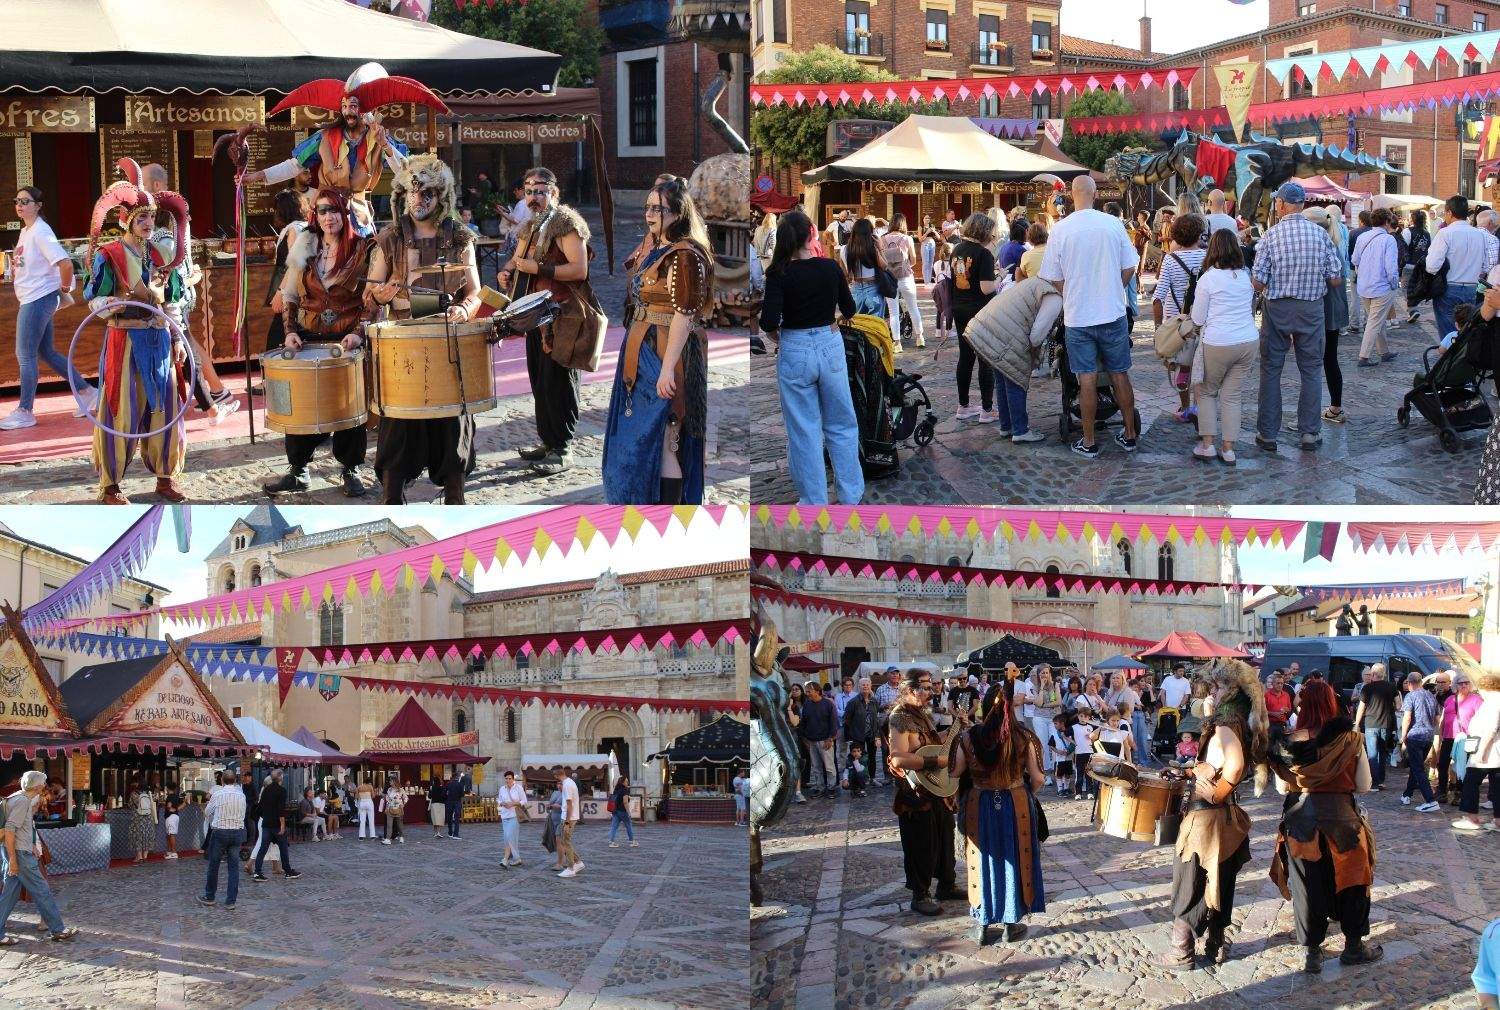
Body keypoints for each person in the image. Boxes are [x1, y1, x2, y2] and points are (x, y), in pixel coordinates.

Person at [363, 154, 484, 505]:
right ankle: (392, 495)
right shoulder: (390, 238)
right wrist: (378, 292)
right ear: (403, 193)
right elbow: (371, 291)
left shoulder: (460, 237)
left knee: (452, 422)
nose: (421, 199)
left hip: (447, 340)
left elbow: (476, 290)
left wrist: (464, 307)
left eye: (429, 192)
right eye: (414, 191)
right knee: (399, 423)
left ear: (442, 196)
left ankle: (455, 495)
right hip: (404, 342)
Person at [604, 178, 715, 505]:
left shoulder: (685, 255)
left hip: (667, 352)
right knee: (638, 437)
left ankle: (668, 517)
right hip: (640, 349)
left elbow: (684, 314)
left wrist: (667, 371)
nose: (649, 214)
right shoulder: (652, 246)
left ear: (677, 213)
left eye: (658, 209)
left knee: (667, 438)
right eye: (648, 207)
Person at [83, 181, 192, 504]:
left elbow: (171, 302)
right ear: (125, 219)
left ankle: (165, 477)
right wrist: (115, 304)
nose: (148, 224)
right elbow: (93, 298)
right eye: (141, 217)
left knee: (164, 408)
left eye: (152, 218)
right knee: (121, 410)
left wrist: (178, 337)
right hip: (124, 340)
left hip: (158, 339)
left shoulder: (161, 255)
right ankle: (111, 485)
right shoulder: (110, 255)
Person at [1156, 660, 1267, 970]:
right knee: (1219, 881)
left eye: (1215, 689)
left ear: (1228, 692)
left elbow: (1233, 764)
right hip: (1224, 817)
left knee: (1189, 880)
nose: (1210, 695)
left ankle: (1181, 953)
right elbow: (1217, 764)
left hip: (1206, 818)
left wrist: (1214, 793)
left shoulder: (1225, 725)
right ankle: (1216, 945)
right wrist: (1187, 771)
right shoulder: (1238, 724)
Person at [1266, 679, 1382, 973]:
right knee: (1352, 882)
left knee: (1307, 887)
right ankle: (1353, 946)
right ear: (1332, 703)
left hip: (1301, 823)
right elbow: (1364, 786)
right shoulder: (1351, 740)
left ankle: (1312, 953)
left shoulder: (1289, 743)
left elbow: (1281, 790)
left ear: (1301, 706)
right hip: (1343, 822)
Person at [263, 187, 372, 497]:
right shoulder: (304, 246)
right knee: (300, 404)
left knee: (348, 406)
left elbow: (371, 301)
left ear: (344, 213)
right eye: (322, 211)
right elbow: (291, 296)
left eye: (334, 210)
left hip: (346, 339)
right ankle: (298, 470)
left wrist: (359, 332)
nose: (328, 217)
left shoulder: (362, 249)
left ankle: (350, 469)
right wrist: (289, 331)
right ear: (315, 215)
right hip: (308, 336)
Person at [243, 63, 427, 235]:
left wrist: (385, 145)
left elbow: (403, 171)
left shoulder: (378, 138)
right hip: (326, 210)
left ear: (364, 111)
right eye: (344, 106)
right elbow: (295, 165)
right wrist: (256, 176)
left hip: (358, 214)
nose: (348, 111)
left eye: (353, 106)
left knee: (369, 252)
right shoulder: (324, 137)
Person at [759, 209, 863, 505]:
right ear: (811, 235)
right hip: (830, 344)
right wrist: (834, 321)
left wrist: (778, 337)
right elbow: (850, 307)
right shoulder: (830, 267)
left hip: (795, 346)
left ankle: (814, 501)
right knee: (842, 424)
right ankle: (850, 495)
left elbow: (767, 321)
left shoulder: (778, 273)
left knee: (804, 430)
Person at [496, 167, 592, 477]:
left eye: (540, 191)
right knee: (540, 383)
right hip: (536, 319)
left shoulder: (567, 223)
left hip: (563, 317)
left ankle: (563, 449)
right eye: (529, 191)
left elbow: (579, 270)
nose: (534, 197)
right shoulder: (531, 224)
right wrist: (507, 271)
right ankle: (549, 442)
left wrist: (539, 269)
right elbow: (518, 259)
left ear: (554, 193)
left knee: (559, 384)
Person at [1039, 175, 1141, 458]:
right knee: (1120, 373)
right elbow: (1131, 266)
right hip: (1111, 312)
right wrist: (1112, 286)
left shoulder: (1061, 230)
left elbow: (1052, 277)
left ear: (1072, 196)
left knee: (1086, 378)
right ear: (1095, 194)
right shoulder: (1112, 224)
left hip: (1079, 316)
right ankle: (1130, 434)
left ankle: (1089, 440)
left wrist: (1072, 292)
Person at [948, 682, 1045, 946]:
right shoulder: (1024, 737)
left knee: (981, 859)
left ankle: (982, 923)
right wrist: (1025, 791)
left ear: (982, 706)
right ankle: (1010, 924)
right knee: (1014, 856)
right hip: (1016, 803)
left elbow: (955, 772)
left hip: (980, 803)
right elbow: (1037, 778)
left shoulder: (967, 738)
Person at [1250, 182, 1343, 453]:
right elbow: (1336, 279)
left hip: (1277, 308)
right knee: (1311, 371)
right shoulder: (1319, 235)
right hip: (1312, 309)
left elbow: (1258, 282)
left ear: (1281, 204)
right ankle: (1309, 434)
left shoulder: (1271, 236)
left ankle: (1267, 434)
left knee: (1270, 371)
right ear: (1301, 204)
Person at [4, 186, 96, 429]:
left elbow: (65, 264)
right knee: (46, 353)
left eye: (26, 201)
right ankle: (87, 391)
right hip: (33, 297)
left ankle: (25, 410)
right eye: (17, 201)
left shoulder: (41, 232)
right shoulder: (27, 231)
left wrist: (64, 291)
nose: (20, 205)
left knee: (25, 355)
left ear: (38, 205)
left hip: (37, 299)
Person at [886, 669, 962, 915]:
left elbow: (931, 743)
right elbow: (897, 758)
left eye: (932, 687)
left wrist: (954, 730)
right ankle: (920, 894)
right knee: (922, 842)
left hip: (934, 789)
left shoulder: (922, 714)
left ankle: (946, 885)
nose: (932, 692)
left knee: (945, 835)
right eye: (926, 688)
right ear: (910, 690)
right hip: (915, 792)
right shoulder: (900, 718)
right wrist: (931, 763)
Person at [1185, 228, 1259, 465]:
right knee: (1232, 396)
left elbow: (1197, 318)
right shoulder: (1245, 276)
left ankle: (1207, 445)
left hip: (1218, 342)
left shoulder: (1208, 278)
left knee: (1206, 392)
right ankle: (1228, 449)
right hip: (1247, 341)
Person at [963, 272, 1062, 444]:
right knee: (1016, 380)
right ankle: (1020, 430)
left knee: (1002, 380)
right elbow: (1037, 336)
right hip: (1004, 334)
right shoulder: (1053, 296)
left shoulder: (1035, 282)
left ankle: (1006, 426)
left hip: (987, 326)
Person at [0, 771, 77, 942]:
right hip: (20, 854)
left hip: (15, 851)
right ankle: (58, 929)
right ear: (37, 786)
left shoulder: (16, 797)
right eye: (43, 783)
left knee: (9, 894)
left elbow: (16, 830)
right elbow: (11, 830)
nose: (45, 786)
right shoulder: (23, 801)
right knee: (42, 891)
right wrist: (14, 859)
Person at [1154, 213, 1207, 424]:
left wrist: (1158, 328)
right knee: (1201, 364)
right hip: (1201, 319)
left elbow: (1158, 297)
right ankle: (1199, 406)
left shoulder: (1170, 259)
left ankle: (1186, 407)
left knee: (1182, 366)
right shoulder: (1208, 257)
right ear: (1199, 234)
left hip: (1177, 322)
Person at [950, 213, 1000, 423]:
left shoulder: (957, 250)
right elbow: (986, 287)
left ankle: (963, 406)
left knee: (965, 357)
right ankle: (987, 410)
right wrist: (1000, 278)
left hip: (959, 307)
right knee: (984, 359)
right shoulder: (984, 254)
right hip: (979, 310)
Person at [1428, 194, 1491, 344]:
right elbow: (1486, 266)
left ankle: (1449, 363)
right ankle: (1464, 361)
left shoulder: (1445, 233)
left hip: (1449, 287)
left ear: (1449, 212)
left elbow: (1431, 266)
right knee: (1466, 330)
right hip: (1471, 287)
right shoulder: (1480, 235)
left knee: (1448, 333)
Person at [1351, 207, 1402, 367]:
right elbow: (1391, 267)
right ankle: (1363, 357)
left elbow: (1354, 260)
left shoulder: (1363, 237)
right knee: (1374, 322)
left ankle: (1384, 352)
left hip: (1364, 285)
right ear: (1387, 222)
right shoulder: (1388, 240)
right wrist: (1394, 285)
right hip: (1382, 287)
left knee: (1376, 320)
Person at [1452, 671, 1500, 832]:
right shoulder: (1494, 701)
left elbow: (1491, 728)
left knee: (1471, 782)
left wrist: (1482, 752)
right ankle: (1498, 820)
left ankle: (1471, 818)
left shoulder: (1493, 702)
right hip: (1493, 753)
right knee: (1497, 786)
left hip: (1488, 752)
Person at [197, 773, 247, 910]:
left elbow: (207, 812)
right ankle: (231, 900)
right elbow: (243, 814)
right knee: (234, 868)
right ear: (235, 780)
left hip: (220, 832)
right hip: (237, 832)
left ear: (222, 780)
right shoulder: (241, 796)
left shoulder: (218, 795)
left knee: (214, 865)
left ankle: (210, 896)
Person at [1397, 672, 1441, 812]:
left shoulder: (1411, 696)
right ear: (1421, 681)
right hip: (1428, 736)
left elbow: (1407, 717)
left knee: (1418, 769)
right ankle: (1407, 794)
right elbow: (1437, 719)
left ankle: (1430, 800)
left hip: (1415, 735)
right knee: (1417, 766)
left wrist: (1403, 736)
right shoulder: (1430, 696)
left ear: (1409, 683)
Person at [880, 214, 924, 349]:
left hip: (889, 279)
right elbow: (914, 259)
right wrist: (904, 266)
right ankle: (920, 338)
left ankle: (897, 343)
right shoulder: (908, 239)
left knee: (893, 312)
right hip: (906, 278)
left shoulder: (882, 239)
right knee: (913, 308)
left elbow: (881, 261)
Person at [1352, 664, 1397, 790]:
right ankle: (1381, 780)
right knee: (1382, 753)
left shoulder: (1367, 688)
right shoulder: (1391, 687)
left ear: (1372, 674)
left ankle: (1374, 782)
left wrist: (1357, 724)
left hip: (1371, 723)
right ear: (1384, 674)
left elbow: (1361, 707)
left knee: (1372, 753)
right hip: (1386, 724)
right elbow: (1398, 705)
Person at [1441, 672, 1483, 803]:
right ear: (1455, 685)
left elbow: (1481, 719)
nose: (1464, 685)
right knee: (1442, 764)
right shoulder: (1450, 699)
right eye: (1461, 683)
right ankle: (1442, 791)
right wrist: (1441, 732)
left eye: (1467, 683)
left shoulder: (1476, 699)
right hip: (1448, 736)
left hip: (1466, 738)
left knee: (1462, 766)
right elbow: (1444, 717)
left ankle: (1459, 793)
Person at [252, 769, 300, 882]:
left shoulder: (266, 789)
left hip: (266, 823)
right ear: (280, 777)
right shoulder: (281, 790)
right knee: (283, 847)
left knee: (263, 848)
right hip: (276, 824)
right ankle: (288, 871)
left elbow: (261, 806)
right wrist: (282, 824)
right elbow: (281, 809)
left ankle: (257, 872)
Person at [800, 681, 838, 797]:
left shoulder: (828, 704)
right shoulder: (807, 704)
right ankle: (819, 787)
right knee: (816, 767)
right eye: (806, 691)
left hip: (825, 740)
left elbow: (833, 722)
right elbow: (804, 722)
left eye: (809, 691)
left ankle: (831, 787)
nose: (807, 693)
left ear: (817, 691)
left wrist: (830, 738)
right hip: (811, 740)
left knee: (829, 766)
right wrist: (805, 738)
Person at [843, 676, 879, 785]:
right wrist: (850, 736)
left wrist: (877, 736)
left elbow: (875, 719)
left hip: (871, 734)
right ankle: (860, 779)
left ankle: (872, 778)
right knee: (859, 757)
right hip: (858, 736)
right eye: (863, 685)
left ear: (870, 686)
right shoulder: (853, 702)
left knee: (872, 757)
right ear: (859, 687)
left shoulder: (873, 701)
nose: (865, 686)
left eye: (867, 684)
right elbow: (846, 719)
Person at [556, 767, 585, 877]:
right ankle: (578, 862)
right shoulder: (570, 782)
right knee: (564, 841)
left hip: (569, 818)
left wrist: (567, 822)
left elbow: (569, 805)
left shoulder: (567, 785)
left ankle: (571, 868)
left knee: (565, 842)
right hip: (570, 817)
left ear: (556, 775)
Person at [496, 770, 527, 866]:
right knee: (508, 838)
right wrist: (502, 803)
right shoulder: (502, 788)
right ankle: (517, 858)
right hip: (505, 816)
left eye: (510, 778)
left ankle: (505, 859)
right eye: (506, 778)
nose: (508, 780)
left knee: (509, 837)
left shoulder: (518, 788)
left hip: (514, 815)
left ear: (513, 779)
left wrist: (513, 803)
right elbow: (499, 799)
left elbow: (524, 801)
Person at [127, 777, 156, 863]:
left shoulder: (134, 794)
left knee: (138, 836)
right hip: (148, 817)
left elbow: (130, 805)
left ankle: (139, 857)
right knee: (147, 835)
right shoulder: (149, 793)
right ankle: (145, 855)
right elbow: (154, 802)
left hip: (138, 818)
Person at [1264, 669, 1294, 745]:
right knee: (1269, 747)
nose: (1280, 685)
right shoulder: (1266, 695)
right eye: (1278, 683)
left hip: (1282, 725)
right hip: (1270, 725)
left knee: (1281, 747)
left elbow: (1290, 709)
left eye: (1281, 683)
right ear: (1273, 684)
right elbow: (1262, 711)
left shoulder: (1286, 695)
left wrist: (1287, 710)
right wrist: (1274, 714)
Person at [608, 775, 636, 846]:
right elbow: (625, 802)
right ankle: (632, 841)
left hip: (615, 810)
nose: (627, 783)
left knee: (614, 827)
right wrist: (628, 812)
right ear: (623, 783)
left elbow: (618, 799)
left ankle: (611, 842)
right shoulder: (625, 790)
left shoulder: (616, 790)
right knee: (628, 825)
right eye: (626, 781)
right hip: (622, 811)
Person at [445, 768, 467, 838]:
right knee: (457, 818)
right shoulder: (460, 784)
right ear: (457, 777)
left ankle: (450, 832)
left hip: (449, 801)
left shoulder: (448, 784)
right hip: (457, 801)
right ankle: (456, 834)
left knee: (449, 817)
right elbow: (462, 794)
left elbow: (445, 793)